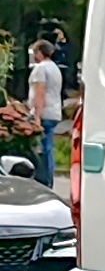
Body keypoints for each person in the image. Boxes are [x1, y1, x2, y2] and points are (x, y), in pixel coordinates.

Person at [26, 38, 63, 187]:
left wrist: (37, 117)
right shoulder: (55, 68)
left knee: (41, 150)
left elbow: (40, 93)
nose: (34, 56)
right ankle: (49, 180)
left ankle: (43, 182)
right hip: (54, 112)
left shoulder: (40, 69)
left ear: (40, 53)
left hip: (44, 113)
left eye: (35, 52)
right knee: (48, 148)